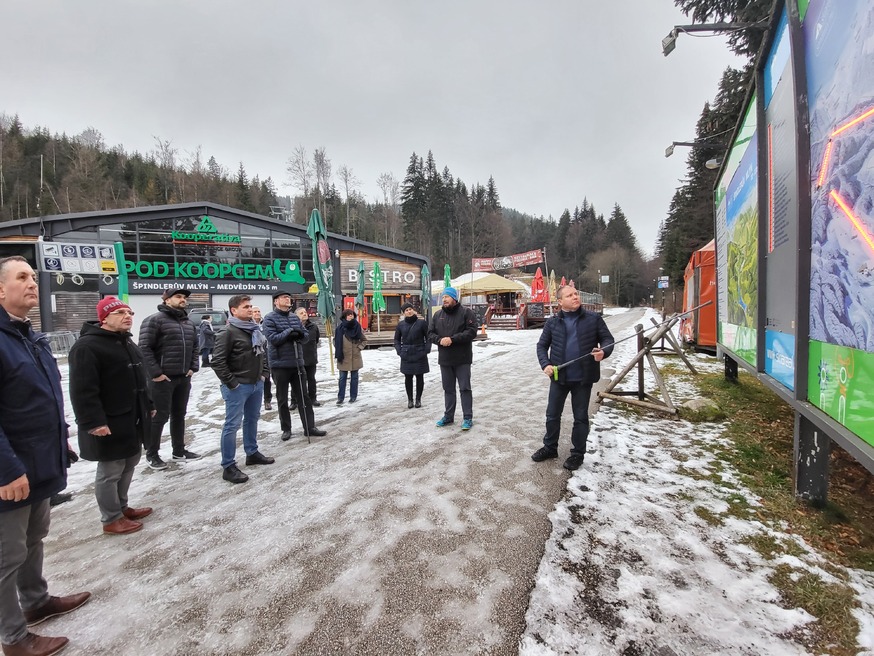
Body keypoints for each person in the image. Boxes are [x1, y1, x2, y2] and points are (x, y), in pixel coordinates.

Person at [0, 256, 91, 656]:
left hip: (40, 458)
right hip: (11, 469)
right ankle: (13, 639)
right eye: (22, 277)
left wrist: (61, 440)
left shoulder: (27, 335)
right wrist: (6, 469)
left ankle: (35, 602)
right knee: (6, 556)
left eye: (34, 277)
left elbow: (40, 399)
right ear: (0, 289)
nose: (33, 283)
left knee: (34, 539)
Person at [68, 297, 155, 536]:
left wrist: (148, 404)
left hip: (132, 417)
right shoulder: (87, 346)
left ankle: (122, 507)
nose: (128, 316)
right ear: (104, 318)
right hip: (109, 420)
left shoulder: (126, 342)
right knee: (110, 471)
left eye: (129, 312)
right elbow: (83, 390)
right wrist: (94, 422)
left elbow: (140, 379)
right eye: (120, 312)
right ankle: (111, 518)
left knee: (129, 463)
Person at [533, 285, 614, 471]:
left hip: (583, 378)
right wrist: (545, 364)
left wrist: (604, 351)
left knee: (580, 418)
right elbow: (541, 346)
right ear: (560, 302)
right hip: (559, 377)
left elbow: (608, 340)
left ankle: (577, 453)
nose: (575, 297)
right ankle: (550, 447)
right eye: (570, 295)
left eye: (576, 293)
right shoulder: (553, 322)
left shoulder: (593, 319)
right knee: (552, 415)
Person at [211, 295, 275, 484]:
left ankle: (252, 452)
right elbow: (217, 362)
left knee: (252, 419)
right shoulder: (228, 332)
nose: (250, 309)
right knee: (232, 425)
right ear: (234, 310)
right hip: (238, 386)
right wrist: (233, 383)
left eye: (250, 306)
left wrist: (263, 374)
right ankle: (228, 465)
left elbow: (262, 354)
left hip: (256, 383)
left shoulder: (254, 330)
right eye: (246, 307)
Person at [138, 287, 201, 469]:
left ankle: (179, 450)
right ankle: (152, 454)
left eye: (184, 297)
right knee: (159, 416)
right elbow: (144, 348)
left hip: (183, 377)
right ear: (166, 300)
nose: (183, 300)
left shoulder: (188, 323)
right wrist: (156, 373)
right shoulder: (154, 320)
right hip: (162, 379)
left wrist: (192, 367)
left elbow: (195, 346)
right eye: (178, 296)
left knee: (179, 415)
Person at [263, 292, 326, 440]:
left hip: (297, 363)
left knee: (304, 397)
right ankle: (286, 428)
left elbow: (305, 336)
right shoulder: (269, 318)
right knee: (282, 398)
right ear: (276, 302)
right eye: (284, 298)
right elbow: (272, 339)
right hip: (279, 364)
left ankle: (309, 427)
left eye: (288, 297)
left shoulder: (294, 317)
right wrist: (288, 332)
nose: (287, 299)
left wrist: (299, 334)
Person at [428, 287, 477, 430]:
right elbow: (430, 333)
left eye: (447, 297)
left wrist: (453, 339)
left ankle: (467, 417)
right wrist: (439, 340)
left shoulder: (466, 313)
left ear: (454, 298)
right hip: (445, 359)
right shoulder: (437, 315)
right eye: (443, 297)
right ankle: (448, 416)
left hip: (462, 358)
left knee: (465, 388)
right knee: (448, 389)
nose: (444, 299)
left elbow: (472, 331)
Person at [394, 302, 430, 408]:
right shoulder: (400, 325)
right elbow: (396, 339)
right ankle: (410, 400)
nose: (409, 311)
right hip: (406, 353)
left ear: (413, 310)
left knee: (420, 377)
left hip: (420, 352)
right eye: (406, 310)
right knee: (408, 377)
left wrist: (426, 350)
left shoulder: (422, 323)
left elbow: (428, 337)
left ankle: (418, 399)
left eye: (410, 309)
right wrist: (399, 351)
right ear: (404, 313)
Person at [334, 309, 367, 405]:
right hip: (343, 357)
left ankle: (353, 396)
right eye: (348, 315)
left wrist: (359, 348)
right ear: (344, 316)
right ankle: (340, 397)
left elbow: (364, 340)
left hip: (354, 357)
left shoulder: (357, 327)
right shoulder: (339, 328)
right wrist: (339, 348)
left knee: (354, 378)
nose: (350, 316)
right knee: (342, 378)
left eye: (352, 315)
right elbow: (335, 340)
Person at [295, 307, 321, 407]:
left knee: (311, 379)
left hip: (311, 358)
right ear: (297, 316)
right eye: (301, 313)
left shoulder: (313, 326)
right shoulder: (294, 326)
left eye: (305, 312)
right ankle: (295, 401)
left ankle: (313, 399)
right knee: (297, 380)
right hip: (297, 358)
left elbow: (317, 339)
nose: (304, 314)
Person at [252, 306, 272, 411]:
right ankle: (255, 402)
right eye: (255, 311)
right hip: (254, 356)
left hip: (266, 355)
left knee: (267, 379)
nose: (257, 313)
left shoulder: (265, 324)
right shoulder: (249, 326)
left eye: (258, 311)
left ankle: (267, 400)